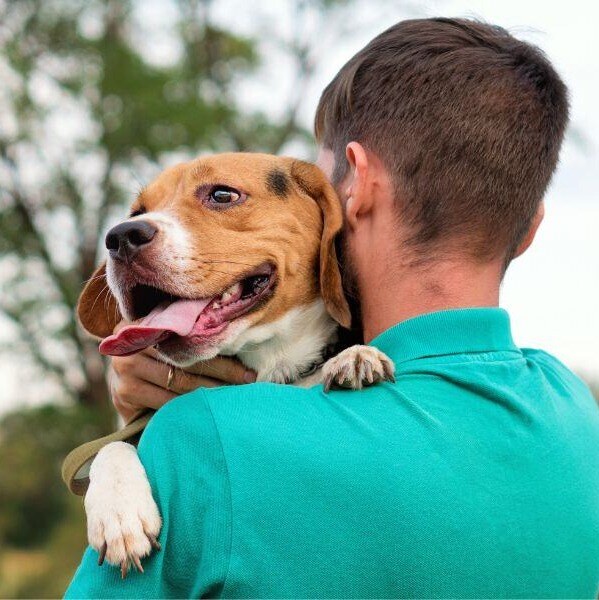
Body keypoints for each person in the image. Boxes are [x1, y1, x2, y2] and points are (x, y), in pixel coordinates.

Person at [66, 18, 599, 598]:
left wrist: (162, 435)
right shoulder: (573, 405)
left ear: (356, 187)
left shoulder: (204, 441)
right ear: (528, 231)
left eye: (222, 198)